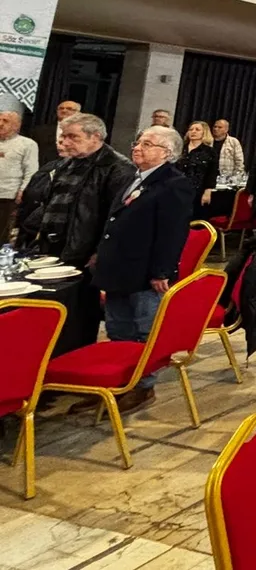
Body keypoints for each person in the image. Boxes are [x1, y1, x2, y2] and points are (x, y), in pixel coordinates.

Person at [91, 125, 193, 411]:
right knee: (117, 326)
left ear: (167, 153)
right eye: (138, 142)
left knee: (144, 329)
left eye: (147, 144)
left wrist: (162, 271)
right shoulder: (134, 177)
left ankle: (143, 385)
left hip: (146, 272)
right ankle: (120, 379)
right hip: (118, 266)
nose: (137, 147)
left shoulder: (174, 183)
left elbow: (173, 232)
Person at [40, 113, 136, 267]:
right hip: (53, 242)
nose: (65, 142)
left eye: (73, 137)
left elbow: (118, 217)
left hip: (84, 249)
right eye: (64, 136)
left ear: (95, 137)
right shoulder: (66, 163)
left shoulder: (118, 168)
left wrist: (101, 251)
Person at [0, 110, 39, 242]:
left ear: (17, 125)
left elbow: (32, 171)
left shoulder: (27, 144)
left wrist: (23, 191)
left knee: (2, 234)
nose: (0, 123)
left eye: (5, 121)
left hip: (8, 195)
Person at [179, 121, 219, 220]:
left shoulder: (209, 152)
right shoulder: (180, 149)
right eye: (191, 129)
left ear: (204, 132)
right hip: (178, 189)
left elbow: (212, 173)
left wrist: (207, 191)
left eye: (197, 130)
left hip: (197, 191)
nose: (193, 132)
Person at [30, 100, 80, 167]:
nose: (64, 110)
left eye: (69, 109)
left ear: (78, 113)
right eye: (61, 108)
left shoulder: (83, 131)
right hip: (43, 169)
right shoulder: (40, 131)